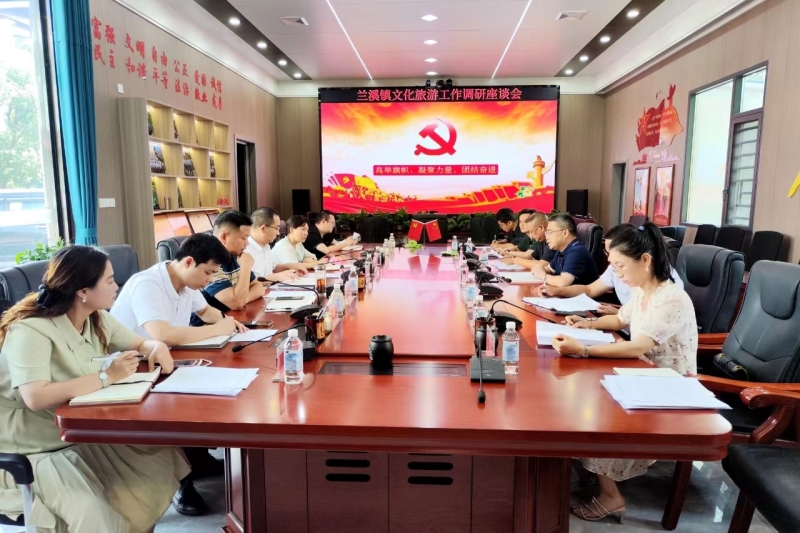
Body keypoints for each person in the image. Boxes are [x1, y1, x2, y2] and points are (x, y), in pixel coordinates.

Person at [0, 245, 187, 533]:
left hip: (78, 428)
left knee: (153, 465)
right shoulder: (30, 330)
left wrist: (155, 346)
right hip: (34, 443)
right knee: (95, 512)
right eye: (110, 281)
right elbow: (35, 396)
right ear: (82, 291)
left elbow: (139, 343)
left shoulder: (95, 317)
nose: (117, 286)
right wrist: (106, 376)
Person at [550, 223, 698, 523]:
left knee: (596, 411)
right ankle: (591, 473)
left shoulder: (670, 298)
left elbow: (638, 346)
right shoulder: (643, 291)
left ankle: (611, 496)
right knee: (582, 394)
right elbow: (619, 320)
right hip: (643, 372)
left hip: (669, 385)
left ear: (645, 260)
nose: (616, 274)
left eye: (620, 266)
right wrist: (587, 324)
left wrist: (584, 349)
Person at [541, 224, 684, 313]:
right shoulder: (617, 268)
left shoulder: (665, 286)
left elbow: (644, 329)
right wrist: (557, 291)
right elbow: (589, 289)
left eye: (618, 260)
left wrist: (618, 314)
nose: (610, 260)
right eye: (607, 253)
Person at [203, 210, 265, 313]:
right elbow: (237, 304)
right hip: (209, 321)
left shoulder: (235, 256)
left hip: (230, 318)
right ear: (224, 237)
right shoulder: (210, 262)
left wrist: (244, 298)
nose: (247, 244)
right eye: (244, 238)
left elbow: (259, 287)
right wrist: (246, 267)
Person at [531, 213, 599, 292]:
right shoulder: (562, 250)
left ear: (565, 233)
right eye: (546, 233)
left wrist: (543, 276)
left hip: (583, 298)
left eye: (550, 232)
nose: (547, 237)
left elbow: (563, 282)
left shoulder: (577, 252)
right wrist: (538, 269)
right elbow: (548, 269)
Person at [244, 207, 305, 280]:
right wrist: (277, 277)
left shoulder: (266, 246)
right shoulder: (245, 248)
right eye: (277, 228)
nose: (278, 233)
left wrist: (289, 266)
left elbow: (273, 268)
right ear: (263, 228)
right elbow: (248, 282)